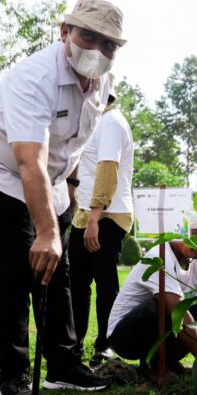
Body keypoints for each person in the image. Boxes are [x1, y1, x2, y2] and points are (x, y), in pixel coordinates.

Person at [0, 0, 125, 395]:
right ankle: (13, 377)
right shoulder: (34, 77)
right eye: (89, 36)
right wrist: (46, 230)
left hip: (48, 178)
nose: (98, 51)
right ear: (65, 32)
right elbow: (29, 160)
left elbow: (75, 143)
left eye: (109, 45)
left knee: (58, 270)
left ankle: (63, 366)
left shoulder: (103, 83)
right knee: (19, 268)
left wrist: (70, 187)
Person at [107, 209, 197, 381]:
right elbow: (178, 312)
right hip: (126, 336)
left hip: (162, 330)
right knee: (162, 306)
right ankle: (153, 365)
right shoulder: (161, 255)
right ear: (181, 230)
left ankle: (167, 359)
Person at [68, 75, 134, 366]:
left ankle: (106, 344)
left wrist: (95, 217)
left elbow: (108, 171)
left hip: (106, 215)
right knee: (77, 283)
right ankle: (74, 343)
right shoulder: (94, 122)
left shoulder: (111, 123)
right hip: (85, 214)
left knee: (105, 283)